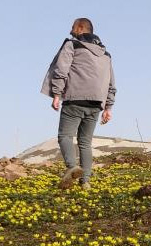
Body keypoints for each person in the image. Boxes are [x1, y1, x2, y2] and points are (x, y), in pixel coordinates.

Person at [40, 18, 116, 189]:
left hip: (75, 98)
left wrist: (57, 94)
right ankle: (86, 182)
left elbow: (62, 69)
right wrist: (108, 107)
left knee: (65, 136)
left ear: (81, 28)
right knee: (85, 143)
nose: (70, 29)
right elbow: (111, 83)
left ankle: (72, 167)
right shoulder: (106, 54)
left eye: (73, 27)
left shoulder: (73, 45)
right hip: (96, 103)